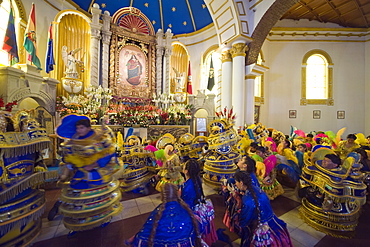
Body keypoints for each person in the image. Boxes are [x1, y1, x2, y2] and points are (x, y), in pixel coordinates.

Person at [126, 183, 203, 247]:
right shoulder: (186, 210)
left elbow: (145, 233)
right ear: (177, 194)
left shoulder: (157, 212)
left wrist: (135, 237)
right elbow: (198, 227)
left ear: (162, 196)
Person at [234, 171, 293, 247]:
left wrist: (240, 223)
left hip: (260, 227)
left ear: (241, 183)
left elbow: (245, 219)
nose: (235, 184)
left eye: (236, 182)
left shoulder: (247, 200)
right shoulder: (256, 188)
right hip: (272, 220)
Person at [181, 159, 217, 246]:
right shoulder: (196, 179)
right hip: (199, 207)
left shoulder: (187, 187)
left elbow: (186, 203)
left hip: (191, 211)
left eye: (184, 166)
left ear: (186, 171)